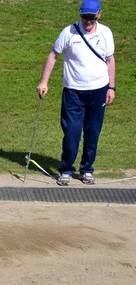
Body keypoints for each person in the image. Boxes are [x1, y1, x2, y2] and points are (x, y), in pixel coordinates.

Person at [36, 0, 115, 186]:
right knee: (71, 132)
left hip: (98, 89)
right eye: (84, 17)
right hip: (73, 91)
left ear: (99, 15)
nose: (88, 21)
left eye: (91, 17)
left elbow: (110, 60)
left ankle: (87, 170)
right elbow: (54, 55)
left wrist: (111, 87)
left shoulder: (106, 33)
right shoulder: (69, 32)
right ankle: (66, 169)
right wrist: (44, 82)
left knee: (93, 132)